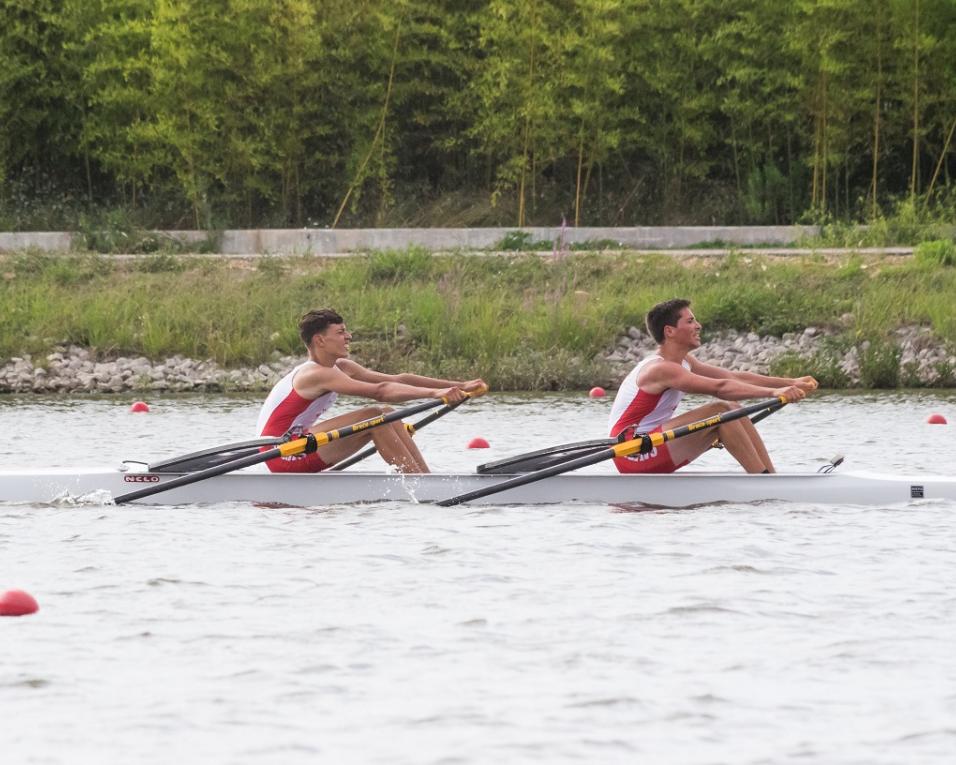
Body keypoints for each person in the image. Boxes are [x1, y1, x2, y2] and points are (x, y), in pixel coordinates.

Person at [257, 308, 485, 474]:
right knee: (375, 415)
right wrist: (436, 395)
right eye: (340, 332)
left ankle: (424, 478)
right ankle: (419, 481)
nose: (348, 337)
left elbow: (398, 379)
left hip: (297, 442)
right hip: (282, 455)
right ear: (320, 340)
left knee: (384, 412)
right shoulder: (315, 374)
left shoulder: (340, 367)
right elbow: (381, 390)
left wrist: (460, 386)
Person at [608, 298, 817, 474]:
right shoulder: (660, 369)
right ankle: (763, 482)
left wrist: (790, 383)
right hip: (632, 452)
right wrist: (773, 392)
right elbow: (721, 388)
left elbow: (732, 376)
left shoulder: (684, 361)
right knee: (721, 409)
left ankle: (770, 477)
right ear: (669, 331)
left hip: (651, 445)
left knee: (733, 408)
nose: (698, 326)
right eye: (690, 321)